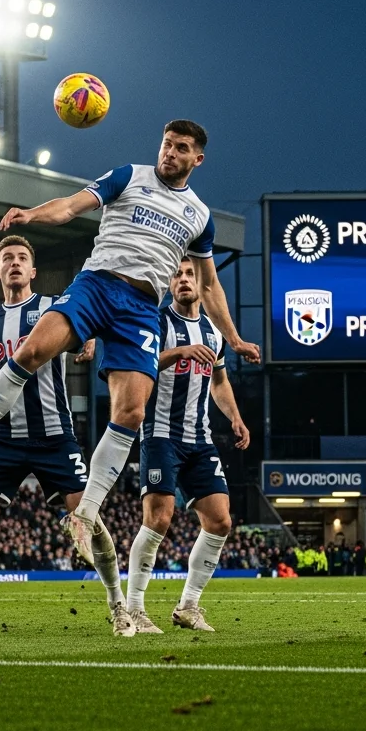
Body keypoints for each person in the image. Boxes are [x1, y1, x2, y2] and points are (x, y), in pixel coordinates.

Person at [0, 120, 261, 567]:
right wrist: (31, 215)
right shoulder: (129, 175)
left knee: (132, 411)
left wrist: (233, 338)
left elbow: (210, 283)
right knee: (30, 351)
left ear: (196, 159)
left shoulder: (199, 216)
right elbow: (70, 207)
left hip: (141, 308)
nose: (170, 153)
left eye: (181, 148)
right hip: (96, 285)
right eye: (166, 144)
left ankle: (85, 512)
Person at [0, 236, 131, 636]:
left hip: (54, 437)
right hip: (1, 438)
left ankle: (120, 606)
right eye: (7, 259)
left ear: (33, 271)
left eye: (23, 258)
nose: (15, 263)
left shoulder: (53, 309)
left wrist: (89, 340)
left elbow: (86, 333)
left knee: (90, 520)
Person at [124, 257, 251, 633]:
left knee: (220, 520)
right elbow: (139, 363)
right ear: (169, 283)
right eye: (176, 275)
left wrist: (235, 417)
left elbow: (219, 382)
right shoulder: (157, 321)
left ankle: (189, 606)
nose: (183, 279)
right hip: (161, 434)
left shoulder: (213, 332)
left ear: (201, 283)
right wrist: (177, 353)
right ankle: (133, 609)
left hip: (200, 439)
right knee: (159, 519)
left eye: (189, 274)